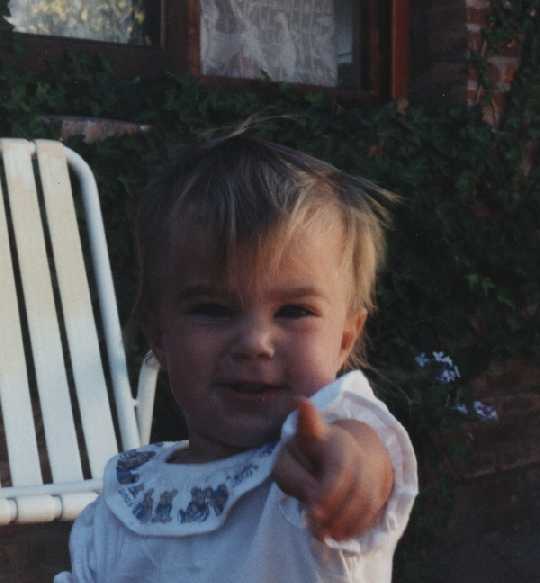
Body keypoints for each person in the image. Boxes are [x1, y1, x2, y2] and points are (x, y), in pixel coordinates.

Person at [55, 126, 418, 583]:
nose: (254, 342)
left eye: (293, 311)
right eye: (213, 309)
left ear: (345, 339)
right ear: (160, 335)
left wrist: (351, 470)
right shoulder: (123, 504)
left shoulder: (309, 462)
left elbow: (368, 456)